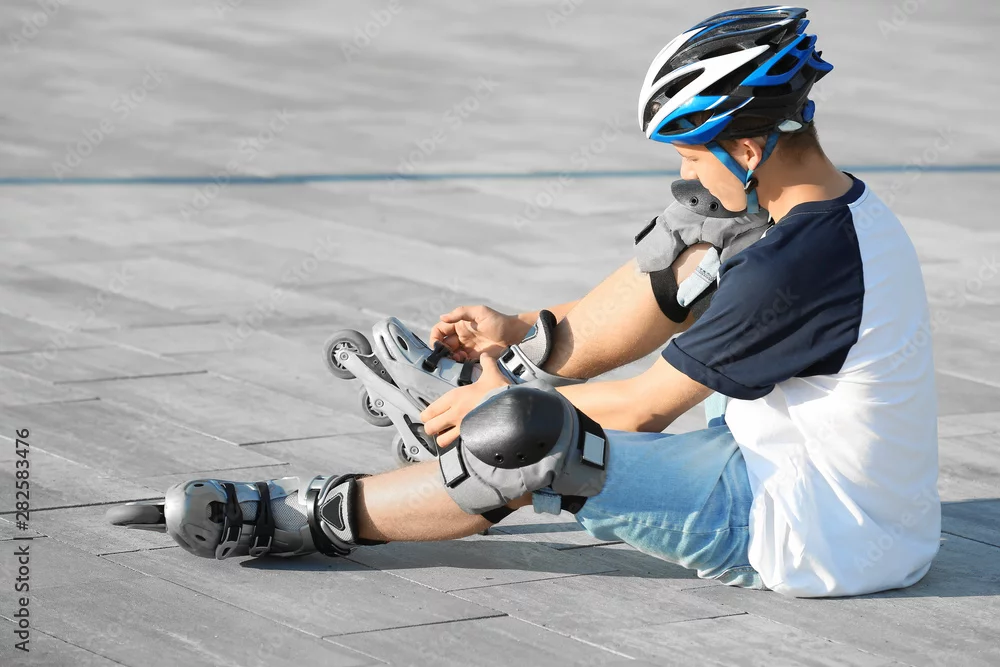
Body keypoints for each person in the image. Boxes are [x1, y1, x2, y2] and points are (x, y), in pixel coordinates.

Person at [110, 6, 940, 598]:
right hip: (789, 465)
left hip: (811, 536)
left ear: (749, 147)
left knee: (529, 438)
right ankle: (495, 389)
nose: (685, 172)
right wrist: (519, 338)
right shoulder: (824, 213)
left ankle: (308, 513)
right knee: (699, 237)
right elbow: (670, 290)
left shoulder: (795, 265)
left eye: (693, 156)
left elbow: (644, 409)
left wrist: (501, 409)